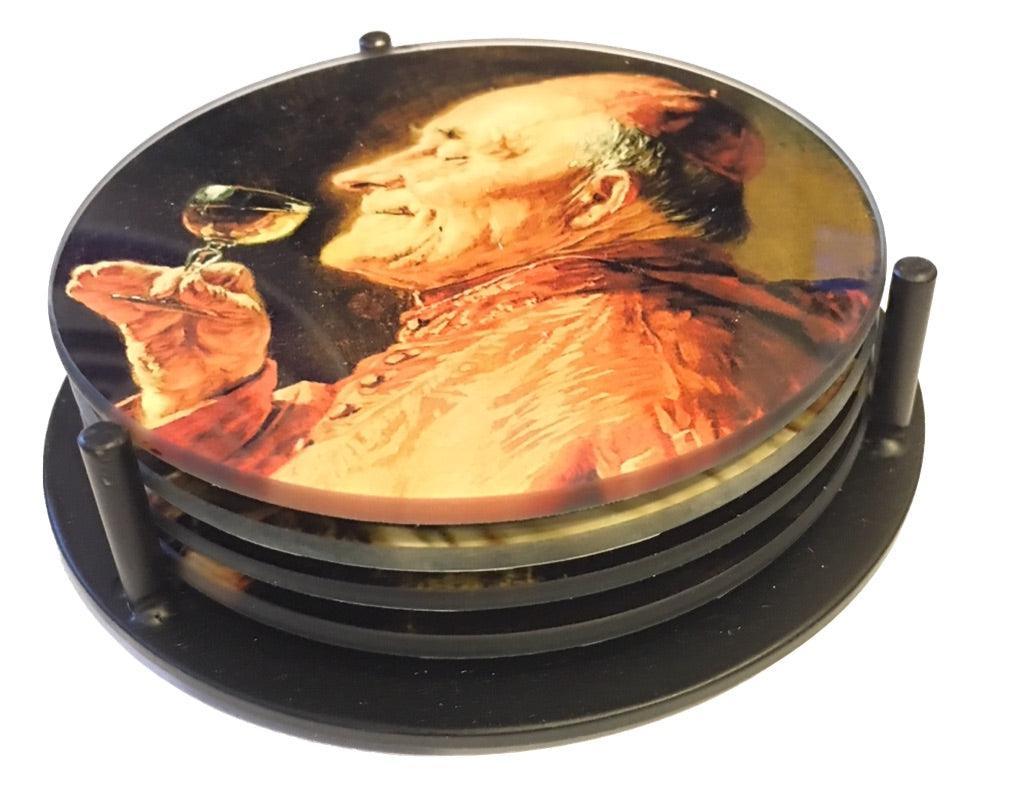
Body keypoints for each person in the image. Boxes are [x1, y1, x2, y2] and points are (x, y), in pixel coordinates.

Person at [66, 73, 869, 517]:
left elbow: (329, 554)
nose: (362, 176)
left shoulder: (630, 380)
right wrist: (208, 391)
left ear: (597, 200)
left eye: (453, 154)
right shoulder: (528, 324)